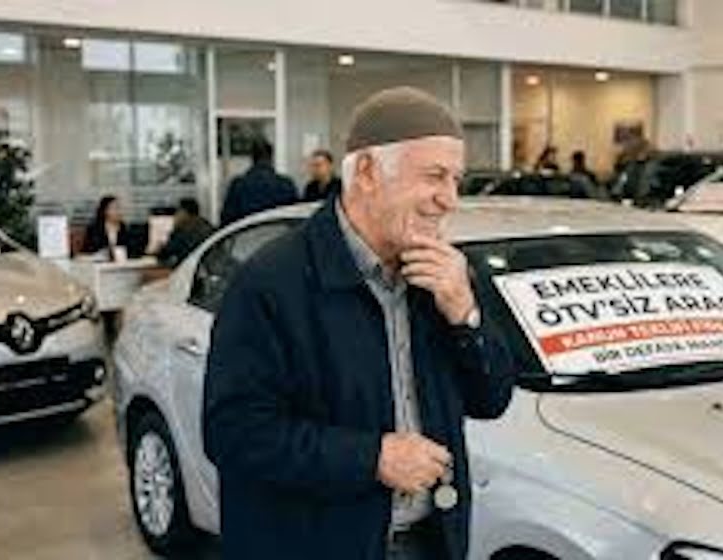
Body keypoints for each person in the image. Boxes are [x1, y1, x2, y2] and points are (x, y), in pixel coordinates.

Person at [204, 87, 516, 560]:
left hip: (430, 543)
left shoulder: (444, 276)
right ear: (368, 172)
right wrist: (372, 458)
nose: (450, 199)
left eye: (456, 180)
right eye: (434, 176)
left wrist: (464, 314)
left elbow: (491, 399)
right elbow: (234, 433)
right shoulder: (270, 282)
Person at [219, 139, 298, 227]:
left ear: (253, 158)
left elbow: (227, 222)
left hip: (248, 234)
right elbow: (295, 219)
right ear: (271, 158)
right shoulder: (286, 185)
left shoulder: (239, 186)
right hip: (280, 234)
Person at [156, 197, 215, 268]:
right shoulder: (184, 228)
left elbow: (182, 254)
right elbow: (166, 253)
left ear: (185, 213)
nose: (175, 215)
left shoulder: (199, 230)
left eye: (178, 212)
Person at [82, 195, 135, 259]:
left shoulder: (124, 228)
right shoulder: (95, 230)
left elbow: (131, 251)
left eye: (120, 208)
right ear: (105, 211)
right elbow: (87, 252)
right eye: (116, 208)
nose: (119, 212)